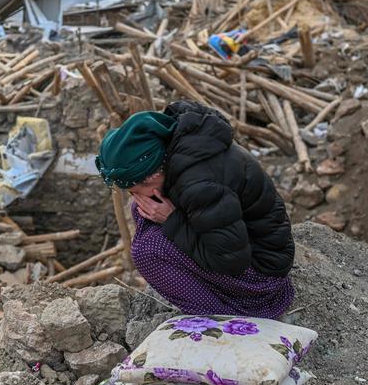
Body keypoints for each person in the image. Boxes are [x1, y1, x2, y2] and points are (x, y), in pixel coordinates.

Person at [95, 100, 295, 318]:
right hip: (247, 244)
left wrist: (172, 220)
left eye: (135, 190)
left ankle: (231, 313)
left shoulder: (198, 186)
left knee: (148, 251)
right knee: (144, 213)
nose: (135, 196)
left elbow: (230, 261)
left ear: (152, 175)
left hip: (263, 276)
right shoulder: (184, 149)